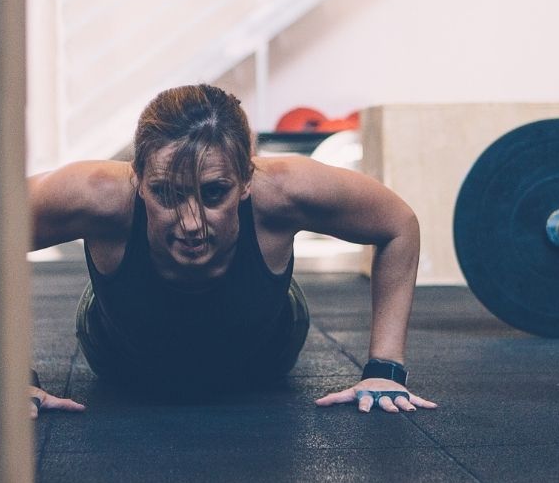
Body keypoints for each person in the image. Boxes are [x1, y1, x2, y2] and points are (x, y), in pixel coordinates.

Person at [26, 84, 437, 417]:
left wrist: (385, 369)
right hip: (124, 358)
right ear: (137, 177)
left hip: (262, 357)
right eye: (165, 193)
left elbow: (398, 225)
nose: (191, 223)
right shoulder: (96, 195)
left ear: (247, 178)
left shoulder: (287, 189)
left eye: (215, 193)